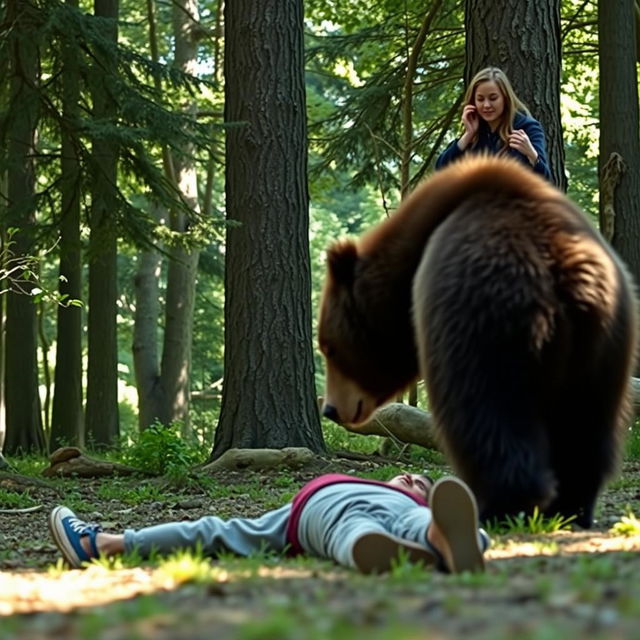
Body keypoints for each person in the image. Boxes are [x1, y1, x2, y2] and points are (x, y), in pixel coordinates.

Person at [49, 472, 490, 575]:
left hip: (328, 513)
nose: (413, 479)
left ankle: (445, 538)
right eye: (410, 477)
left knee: (411, 520)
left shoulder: (412, 501)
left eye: (419, 481)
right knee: (351, 527)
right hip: (329, 508)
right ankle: (445, 543)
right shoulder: (364, 483)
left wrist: (422, 503)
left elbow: (213, 532)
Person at [436, 67, 552, 180]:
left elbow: (545, 182)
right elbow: (441, 170)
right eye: (480, 99)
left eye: (493, 98)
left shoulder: (527, 128)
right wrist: (467, 136)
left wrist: (531, 154)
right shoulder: (475, 134)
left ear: (505, 98)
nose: (486, 105)